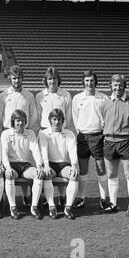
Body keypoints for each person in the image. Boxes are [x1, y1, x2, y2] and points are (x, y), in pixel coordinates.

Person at [100, 74, 129, 216]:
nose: (117, 87)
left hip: (125, 143)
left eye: (120, 85)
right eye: (115, 85)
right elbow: (102, 123)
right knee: (111, 175)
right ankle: (113, 204)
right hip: (109, 143)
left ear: (124, 85)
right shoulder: (105, 103)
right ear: (111, 86)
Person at [0, 65, 39, 207]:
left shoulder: (28, 95)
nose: (16, 80)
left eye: (19, 78)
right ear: (10, 78)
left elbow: (33, 115)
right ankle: (6, 199)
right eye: (14, 78)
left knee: (24, 160)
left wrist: (28, 129)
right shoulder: (4, 95)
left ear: (22, 78)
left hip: (24, 133)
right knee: (8, 165)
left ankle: (26, 195)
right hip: (8, 134)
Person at [35, 66, 74, 207]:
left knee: (62, 161)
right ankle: (46, 197)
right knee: (47, 165)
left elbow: (68, 117)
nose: (52, 81)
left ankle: (63, 196)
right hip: (45, 134)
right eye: (50, 79)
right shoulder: (40, 96)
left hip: (61, 133)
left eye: (55, 78)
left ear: (59, 80)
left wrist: (64, 131)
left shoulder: (66, 95)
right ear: (46, 80)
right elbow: (38, 116)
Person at [72, 70, 109, 209]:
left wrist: (103, 134)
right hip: (82, 137)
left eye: (92, 80)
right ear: (83, 82)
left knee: (101, 169)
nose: (89, 83)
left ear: (95, 81)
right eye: (87, 80)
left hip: (98, 136)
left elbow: (106, 118)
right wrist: (80, 132)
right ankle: (81, 197)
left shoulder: (103, 98)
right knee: (83, 170)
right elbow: (75, 118)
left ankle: (104, 198)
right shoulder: (77, 98)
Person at [1, 110, 44, 219]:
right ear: (13, 122)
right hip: (12, 165)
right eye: (18, 121)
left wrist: (39, 165)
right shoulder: (5, 134)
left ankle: (34, 207)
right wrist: (7, 168)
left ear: (26, 122)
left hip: (26, 166)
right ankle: (13, 207)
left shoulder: (30, 133)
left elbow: (35, 150)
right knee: (9, 175)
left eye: (22, 121)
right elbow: (4, 153)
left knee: (38, 175)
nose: (20, 123)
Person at [38, 109, 79, 220]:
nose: (57, 122)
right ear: (50, 120)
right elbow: (44, 150)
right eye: (54, 119)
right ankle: (52, 206)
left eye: (59, 119)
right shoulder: (43, 133)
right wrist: (46, 165)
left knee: (74, 175)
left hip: (64, 165)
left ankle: (68, 207)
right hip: (50, 165)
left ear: (63, 121)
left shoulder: (69, 134)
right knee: (47, 174)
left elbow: (72, 151)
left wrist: (74, 165)